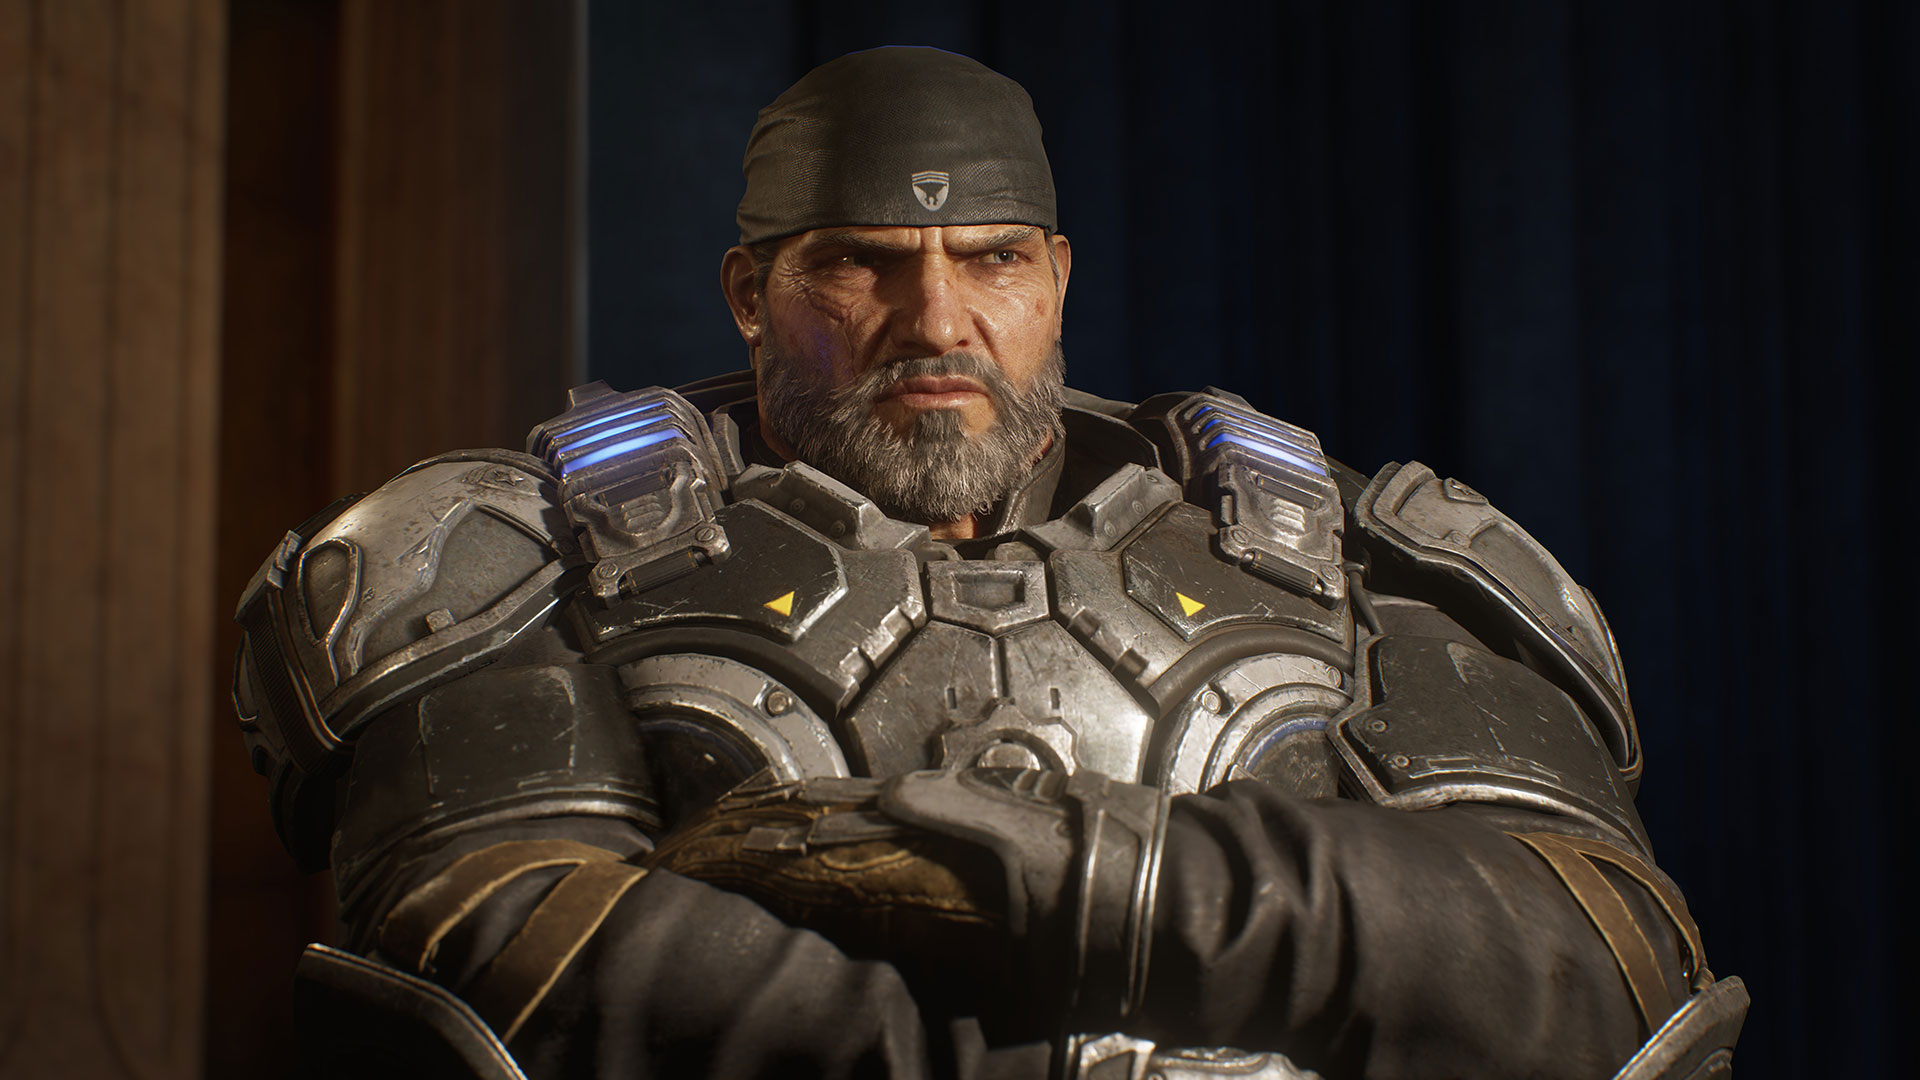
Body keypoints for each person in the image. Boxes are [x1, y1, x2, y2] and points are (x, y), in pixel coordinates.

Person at [231, 47, 1746, 1080]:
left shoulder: (1345, 549)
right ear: (752, 292)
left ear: (1058, 278)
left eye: (994, 260)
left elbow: (1600, 957)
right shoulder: (522, 554)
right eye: (862, 265)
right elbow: (493, 954)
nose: (939, 321)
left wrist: (1118, 892)